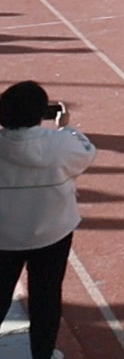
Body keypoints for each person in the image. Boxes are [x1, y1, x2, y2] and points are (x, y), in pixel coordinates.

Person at [0, 81, 95, 359]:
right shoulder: (61, 144)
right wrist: (64, 125)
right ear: (41, 113)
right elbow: (86, 152)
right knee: (47, 298)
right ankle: (42, 354)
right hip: (53, 233)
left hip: (4, 236)